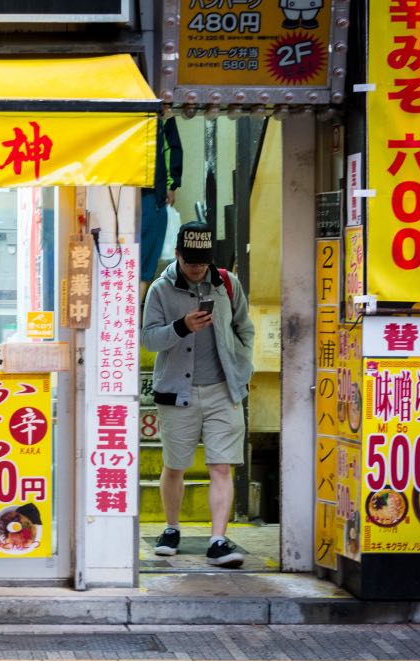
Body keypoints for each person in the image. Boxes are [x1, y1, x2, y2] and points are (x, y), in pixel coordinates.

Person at [141, 222, 255, 568]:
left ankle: (218, 540)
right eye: (190, 261)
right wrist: (182, 326)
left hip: (224, 390)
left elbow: (244, 328)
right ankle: (172, 528)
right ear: (177, 254)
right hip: (178, 390)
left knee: (221, 466)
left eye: (202, 261)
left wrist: (241, 367)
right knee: (175, 465)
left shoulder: (227, 284)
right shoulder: (160, 290)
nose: (196, 267)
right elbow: (148, 339)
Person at [140, 116, 183, 304]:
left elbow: (171, 147)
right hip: (150, 196)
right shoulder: (160, 111)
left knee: (135, 265)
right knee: (143, 267)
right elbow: (172, 147)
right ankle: (131, 322)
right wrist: (170, 184)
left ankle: (128, 320)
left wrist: (170, 184)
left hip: (137, 194)